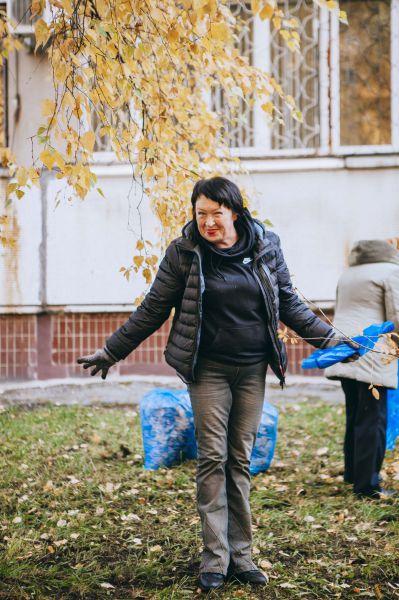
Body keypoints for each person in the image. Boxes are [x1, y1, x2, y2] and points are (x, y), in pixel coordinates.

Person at [77, 177, 348, 591]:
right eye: (200, 214)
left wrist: (331, 341)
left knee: (239, 460)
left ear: (235, 212)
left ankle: (242, 556)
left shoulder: (265, 246)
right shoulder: (184, 253)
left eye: (216, 214)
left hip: (252, 367)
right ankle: (215, 559)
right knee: (212, 458)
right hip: (208, 370)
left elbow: (289, 302)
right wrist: (112, 350)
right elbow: (152, 309)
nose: (208, 223)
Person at [325, 239, 399, 499]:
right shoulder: (391, 272)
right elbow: (396, 316)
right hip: (372, 350)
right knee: (373, 418)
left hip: (344, 348)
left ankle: (353, 473)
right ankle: (367, 487)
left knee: (356, 413)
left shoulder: (348, 274)